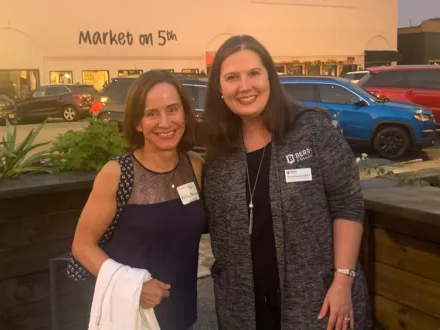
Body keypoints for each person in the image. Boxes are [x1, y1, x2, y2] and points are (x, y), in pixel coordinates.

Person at [203, 35, 371, 330]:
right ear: (219, 87)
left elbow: (348, 205)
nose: (244, 86)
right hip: (244, 307)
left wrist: (343, 281)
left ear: (270, 77)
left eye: (254, 73)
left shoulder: (312, 130)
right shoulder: (219, 151)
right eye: (232, 77)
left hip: (317, 301)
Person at [71, 70, 207, 330]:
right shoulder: (117, 174)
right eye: (151, 113)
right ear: (137, 122)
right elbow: (82, 245)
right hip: (130, 316)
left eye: (172, 109)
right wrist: (133, 287)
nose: (165, 123)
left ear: (184, 114)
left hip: (182, 312)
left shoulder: (195, 166)